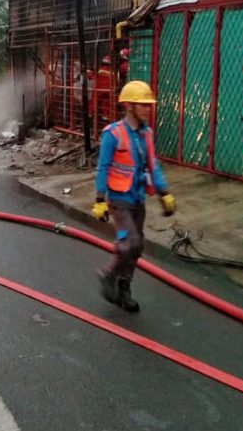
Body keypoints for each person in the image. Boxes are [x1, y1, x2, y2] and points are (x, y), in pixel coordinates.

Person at [92, 80, 176, 312]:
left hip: (138, 199)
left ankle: (124, 287)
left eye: (149, 105)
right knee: (131, 242)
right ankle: (108, 274)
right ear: (129, 106)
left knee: (136, 248)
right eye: (143, 105)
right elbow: (103, 167)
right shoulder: (113, 133)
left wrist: (164, 193)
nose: (148, 109)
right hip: (119, 200)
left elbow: (153, 166)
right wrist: (100, 199)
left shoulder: (146, 134)